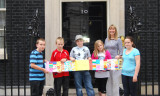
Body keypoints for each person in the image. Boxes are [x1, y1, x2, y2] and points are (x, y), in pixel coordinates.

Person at [104, 24, 123, 96]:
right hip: (108, 61)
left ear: (115, 31)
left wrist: (119, 55)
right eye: (110, 29)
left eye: (113, 29)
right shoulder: (106, 39)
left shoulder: (118, 40)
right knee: (109, 80)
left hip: (115, 61)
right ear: (108, 30)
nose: (112, 30)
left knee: (115, 80)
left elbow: (121, 51)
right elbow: (104, 50)